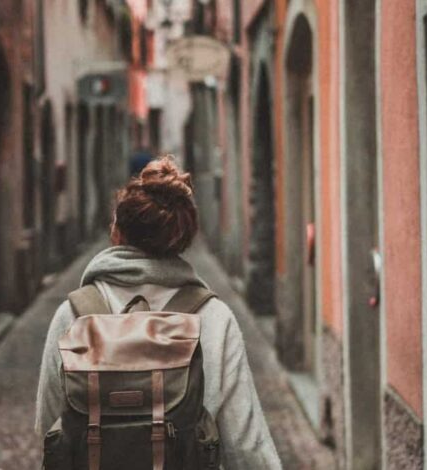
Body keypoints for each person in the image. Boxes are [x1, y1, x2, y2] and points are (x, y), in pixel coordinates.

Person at [34, 156, 282, 469]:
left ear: (118, 232)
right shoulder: (213, 319)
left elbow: (50, 425)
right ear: (183, 238)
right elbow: (247, 446)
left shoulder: (73, 317)